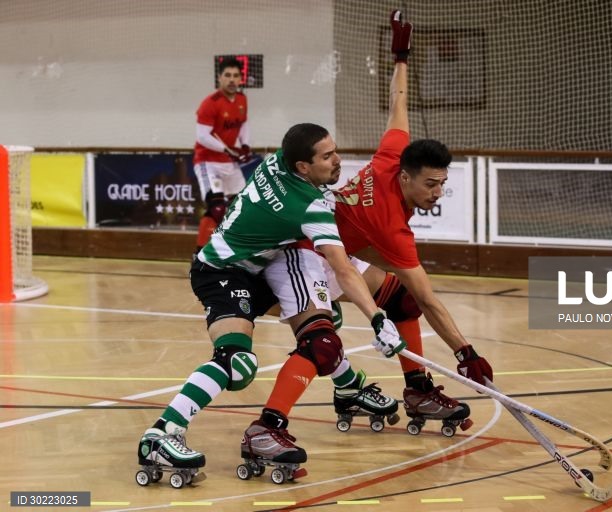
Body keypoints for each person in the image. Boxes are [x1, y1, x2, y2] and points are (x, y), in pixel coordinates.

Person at [136, 123, 406, 483]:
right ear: (303, 168)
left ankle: (349, 387)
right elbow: (343, 268)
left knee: (322, 323)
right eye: (327, 156)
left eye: (334, 151)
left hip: (255, 268)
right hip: (222, 272)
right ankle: (160, 434)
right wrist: (376, 318)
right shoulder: (311, 207)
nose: (337, 161)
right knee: (237, 363)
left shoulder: (277, 162)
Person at [313, 10, 494, 433]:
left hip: (341, 245)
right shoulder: (391, 225)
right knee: (391, 305)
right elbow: (432, 300)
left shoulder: (393, 155)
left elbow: (398, 102)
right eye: (431, 184)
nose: (437, 192)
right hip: (318, 259)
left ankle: (417, 389)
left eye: (443, 184)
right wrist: (465, 352)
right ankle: (346, 391)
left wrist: (401, 56)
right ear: (407, 178)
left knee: (401, 300)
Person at [192, 56, 252, 253]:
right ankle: (200, 255)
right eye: (228, 75)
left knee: (242, 207)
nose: (232, 80)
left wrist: (245, 146)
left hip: (229, 162)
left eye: (236, 75)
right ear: (220, 78)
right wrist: (228, 150)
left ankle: (233, 252)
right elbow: (202, 136)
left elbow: (243, 124)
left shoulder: (242, 99)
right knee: (217, 207)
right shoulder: (210, 103)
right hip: (207, 162)